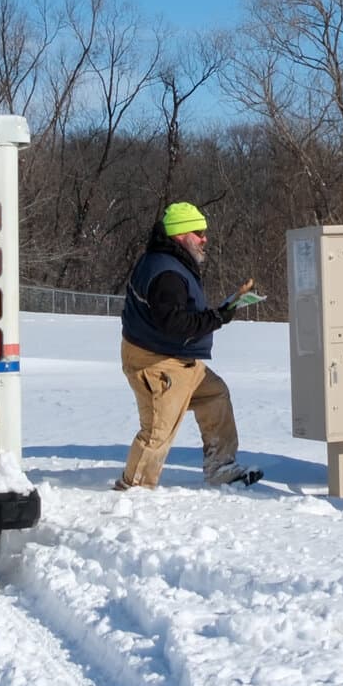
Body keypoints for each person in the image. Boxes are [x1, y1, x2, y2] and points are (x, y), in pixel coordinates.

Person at [115, 201, 264, 490]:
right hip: (158, 363)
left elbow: (177, 319)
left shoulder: (167, 262)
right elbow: (173, 324)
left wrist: (219, 312)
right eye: (198, 232)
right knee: (159, 429)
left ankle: (221, 466)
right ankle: (133, 490)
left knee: (214, 395)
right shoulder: (167, 273)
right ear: (180, 235)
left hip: (179, 360)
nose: (204, 238)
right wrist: (218, 317)